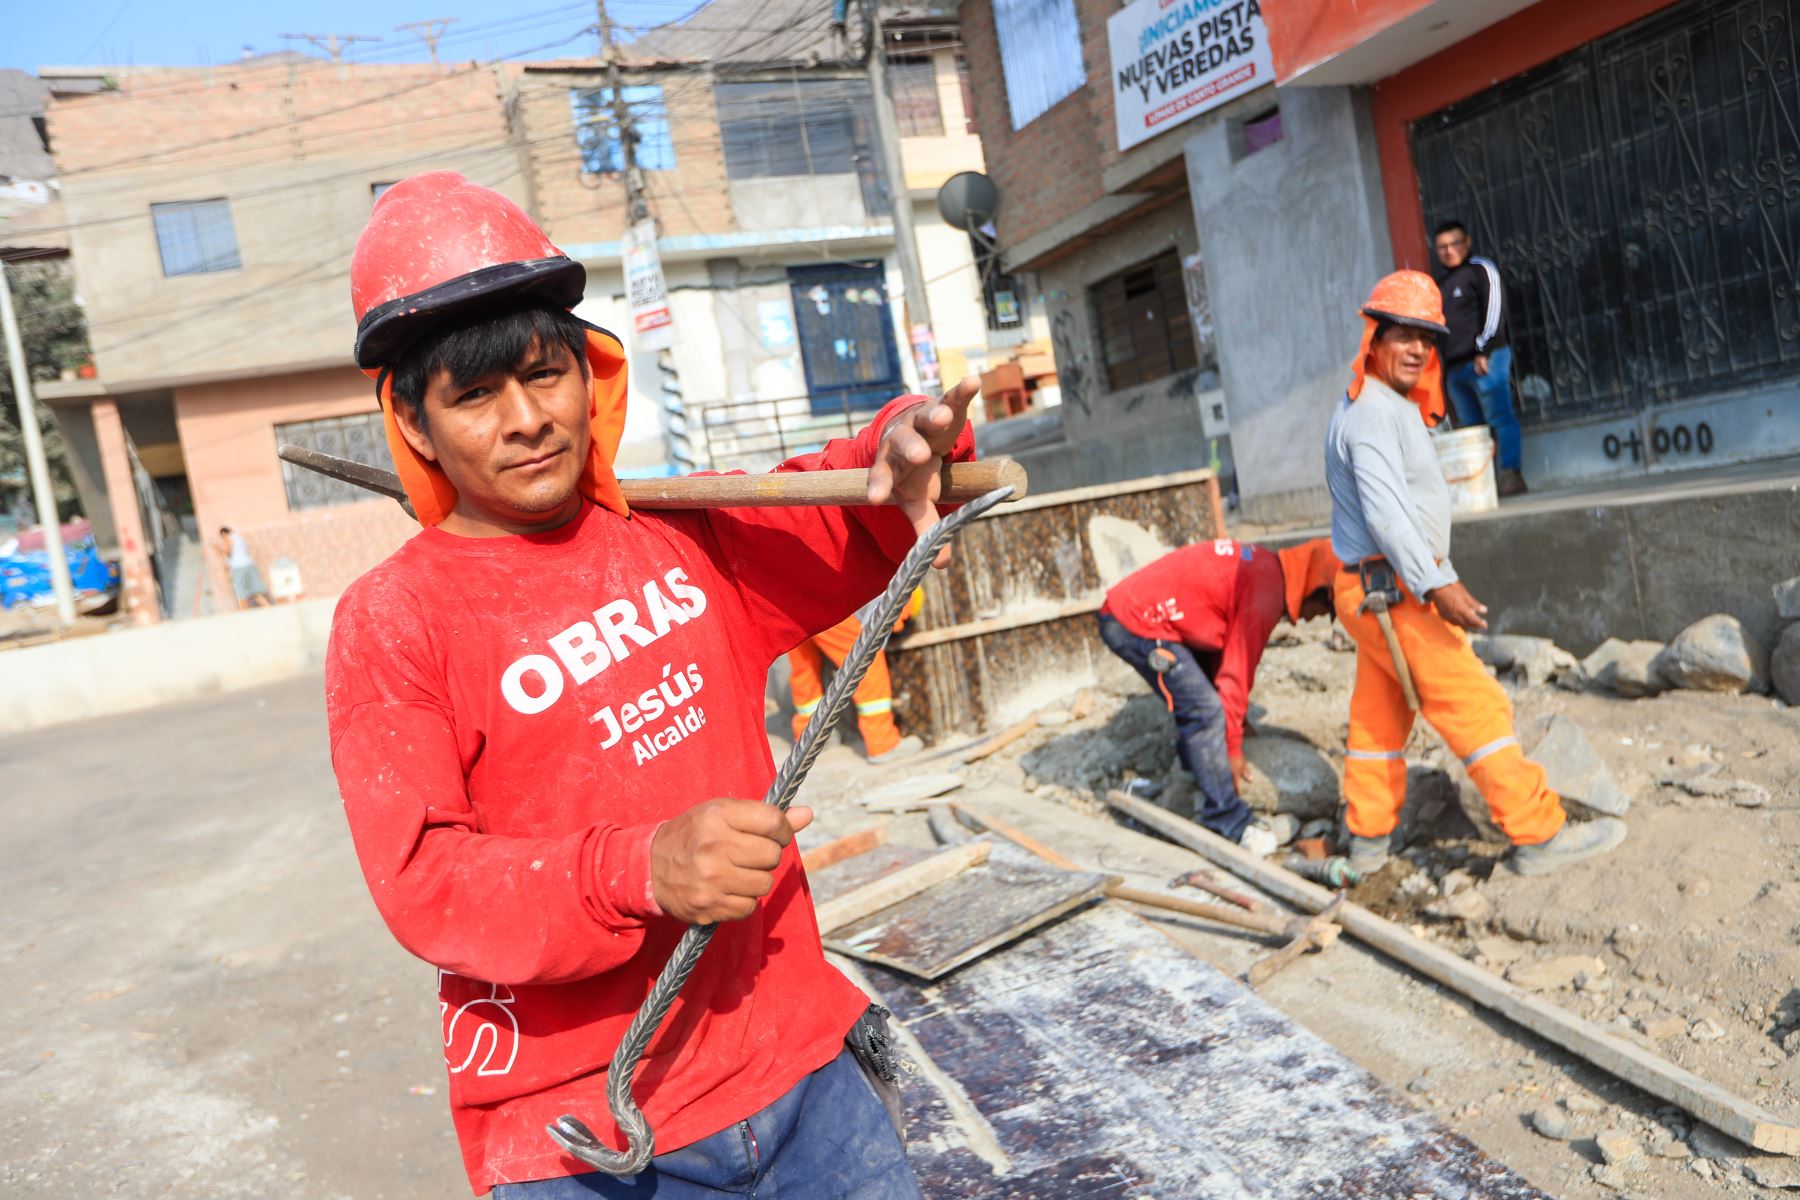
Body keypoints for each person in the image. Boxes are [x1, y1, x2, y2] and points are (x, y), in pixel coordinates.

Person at [324, 172, 978, 1198]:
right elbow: (426, 883)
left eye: (546, 376)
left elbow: (851, 506)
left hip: (800, 1071)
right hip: (589, 1127)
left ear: (592, 375)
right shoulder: (393, 621)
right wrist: (637, 870)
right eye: (476, 397)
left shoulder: (675, 537)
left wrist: (896, 445)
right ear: (413, 424)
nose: (528, 420)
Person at [1325, 269, 1625, 878]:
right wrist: (1438, 584)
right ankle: (1537, 834)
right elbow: (1388, 516)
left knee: (1378, 718)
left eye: (1427, 339)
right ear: (1374, 338)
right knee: (1477, 706)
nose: (1416, 350)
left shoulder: (1376, 405)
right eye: (1403, 335)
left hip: (1375, 589)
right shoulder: (1373, 417)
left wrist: (1437, 572)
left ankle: (1366, 846)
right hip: (1394, 591)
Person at [1097, 536, 1341, 854]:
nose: (1315, 618)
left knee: (1201, 702)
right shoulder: (1266, 592)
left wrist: (1235, 725)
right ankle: (1227, 819)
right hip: (1136, 622)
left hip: (1141, 614)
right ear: (1314, 591)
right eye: (1324, 610)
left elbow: (1220, 654)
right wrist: (1233, 749)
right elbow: (1235, 675)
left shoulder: (1265, 570)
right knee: (1205, 711)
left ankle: (1185, 785)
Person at [1432, 220, 1526, 496]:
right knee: (1472, 431)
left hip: (1484, 361)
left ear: (1467, 242)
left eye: (1454, 244)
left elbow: (1495, 312)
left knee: (1499, 416)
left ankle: (1511, 475)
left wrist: (1483, 351)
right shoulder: (1440, 285)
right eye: (1442, 247)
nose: (1449, 251)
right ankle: (1484, 485)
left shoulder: (1481, 270)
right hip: (1455, 368)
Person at [788, 588, 925, 762]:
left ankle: (808, 739)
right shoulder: (904, 597)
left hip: (791, 602)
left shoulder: (884, 579)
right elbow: (882, 631)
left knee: (804, 671)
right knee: (868, 663)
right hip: (825, 603)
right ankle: (882, 744)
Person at [218, 525, 270, 608]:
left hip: (239, 568)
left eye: (222, 537)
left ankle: (244, 613)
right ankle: (268, 607)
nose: (222, 539)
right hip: (250, 565)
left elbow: (228, 552)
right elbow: (239, 555)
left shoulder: (229, 538)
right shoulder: (241, 539)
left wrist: (219, 549)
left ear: (224, 534)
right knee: (254, 591)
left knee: (241, 593)